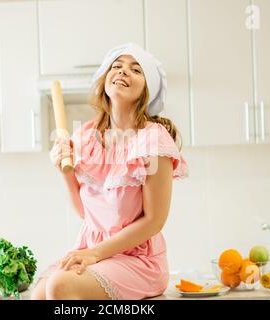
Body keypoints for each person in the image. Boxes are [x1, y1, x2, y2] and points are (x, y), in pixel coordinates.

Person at [30, 43, 188, 300]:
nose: (123, 72)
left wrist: (94, 254)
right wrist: (66, 173)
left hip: (138, 260)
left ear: (147, 91)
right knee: (38, 295)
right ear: (105, 80)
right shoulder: (86, 137)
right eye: (116, 66)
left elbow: (154, 221)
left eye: (135, 69)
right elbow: (88, 214)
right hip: (95, 251)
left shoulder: (152, 140)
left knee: (60, 286)